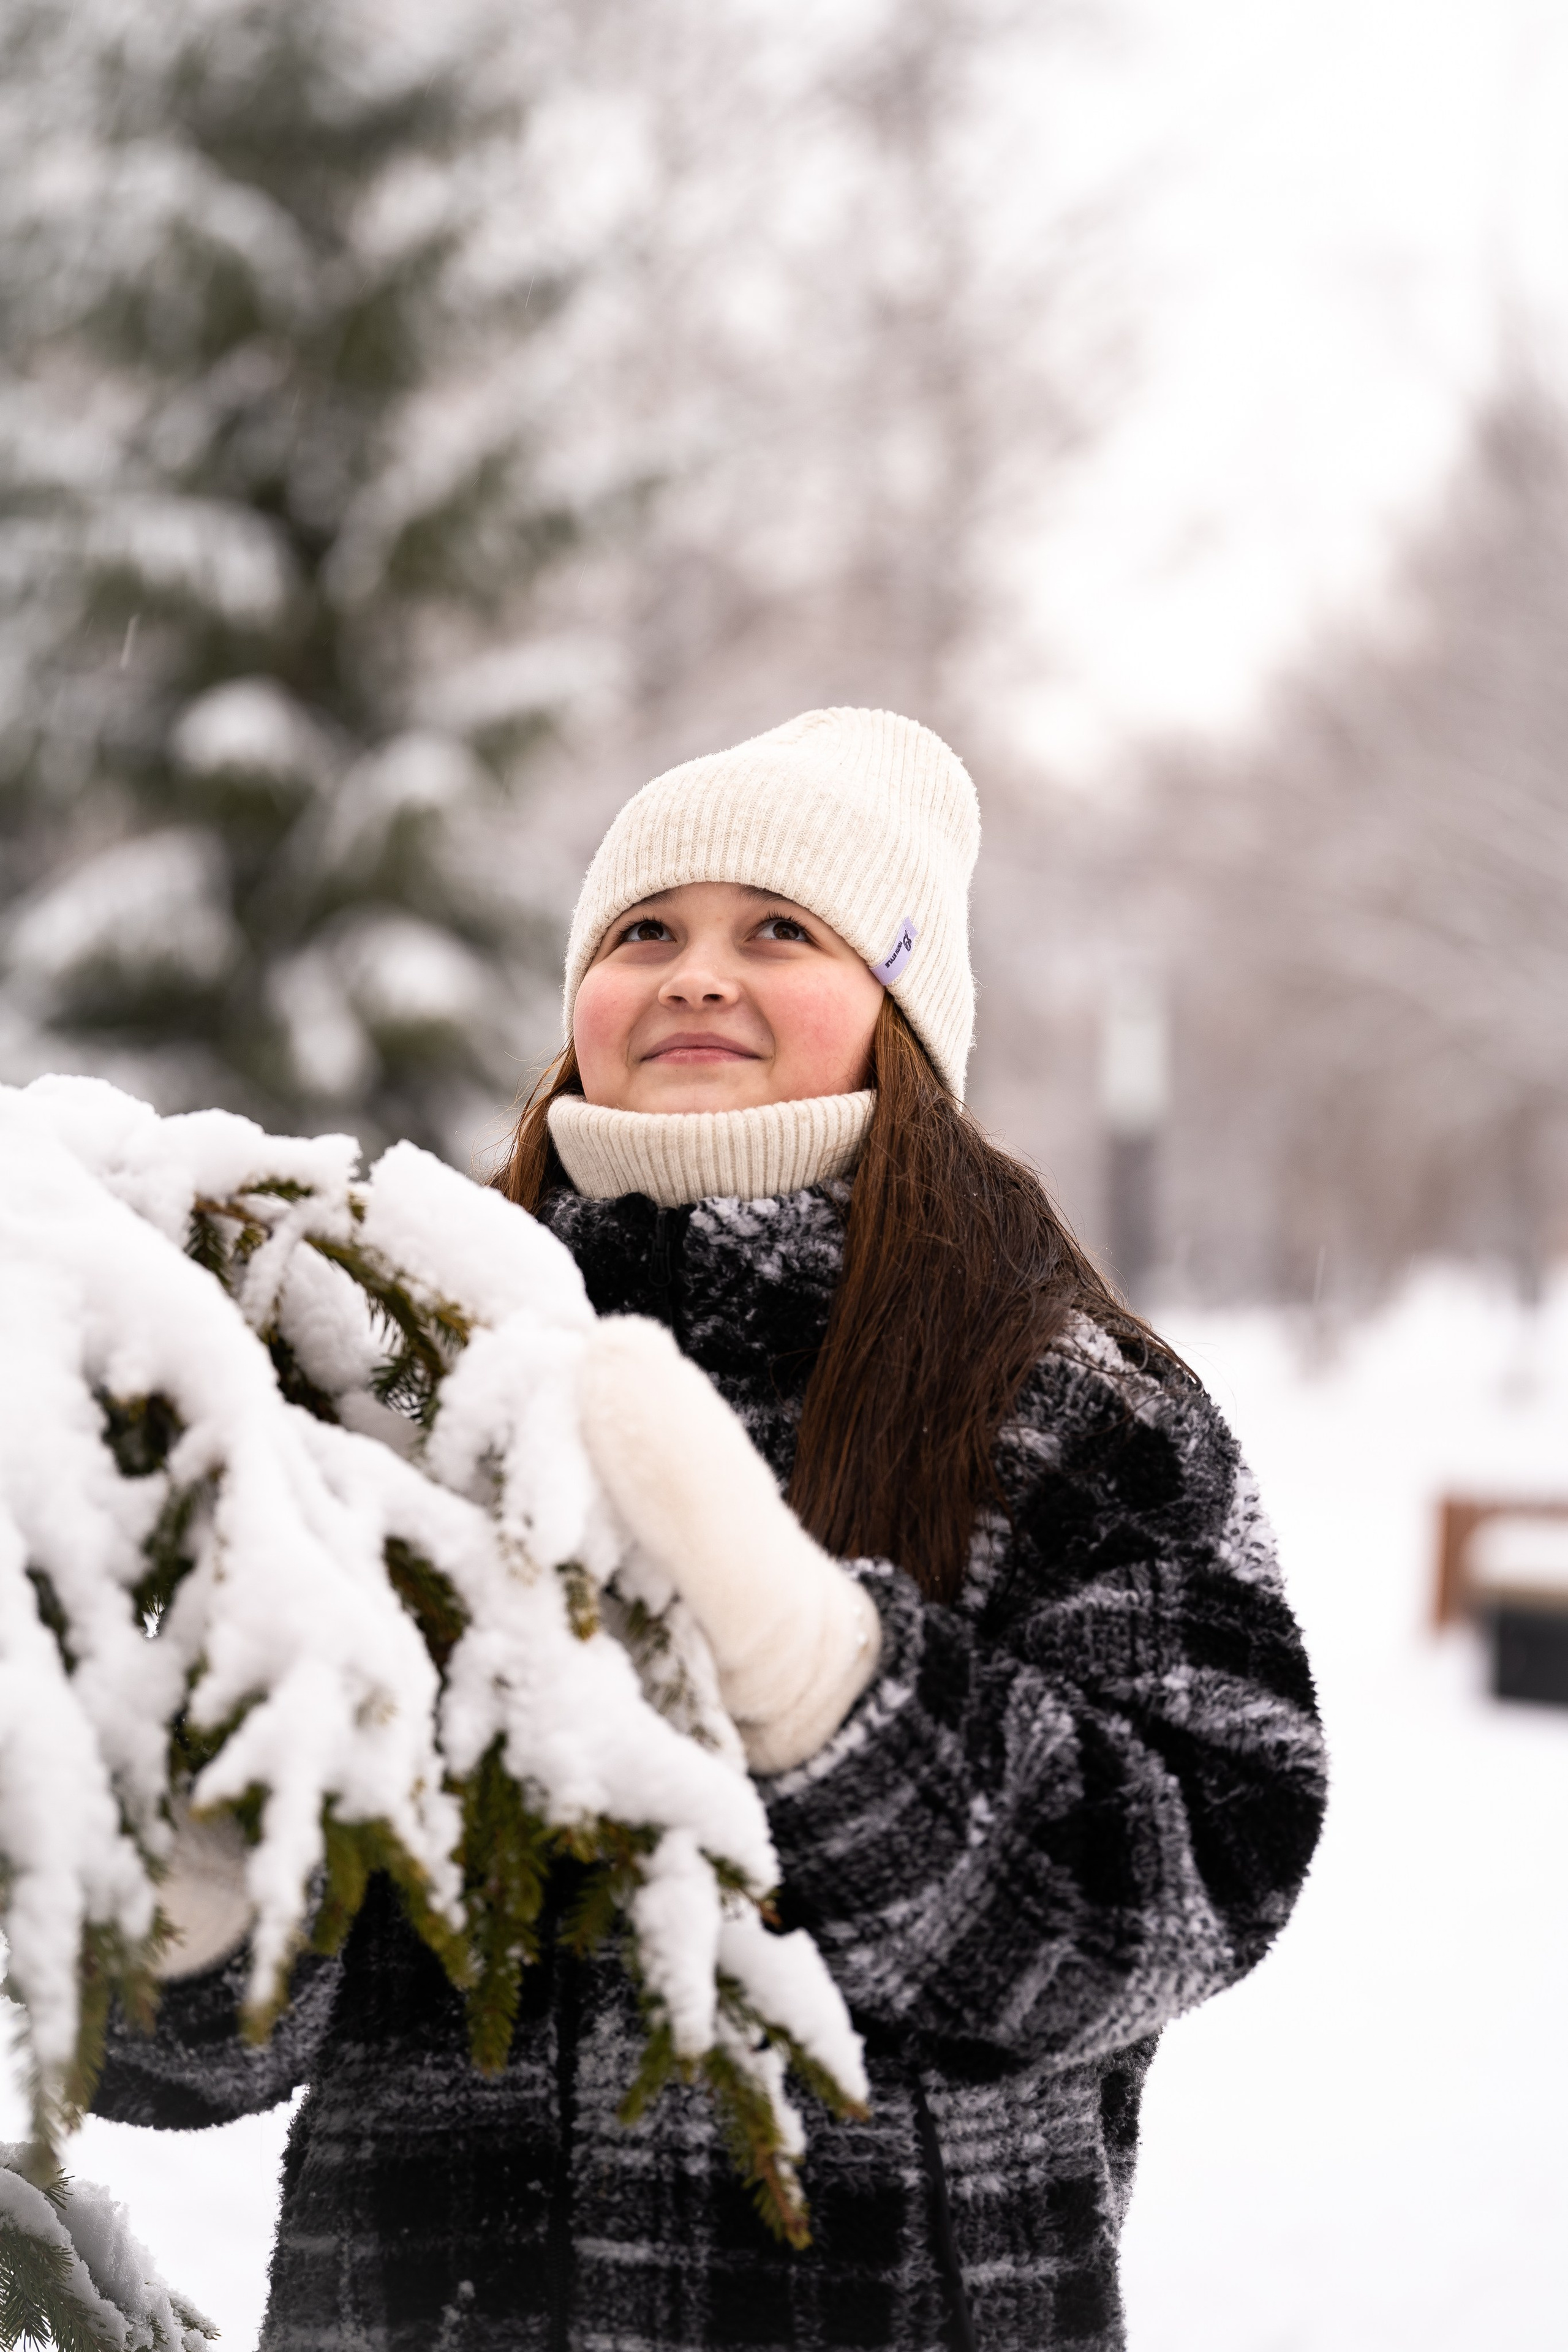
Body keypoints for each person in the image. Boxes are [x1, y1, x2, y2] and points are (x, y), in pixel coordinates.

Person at [97, 707, 1327, 2351]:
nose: (694, 976)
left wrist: (830, 1681)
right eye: (645, 934)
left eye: (779, 933)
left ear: (900, 1010)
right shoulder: (397, 1365)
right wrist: (195, 1911)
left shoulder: (1062, 1401)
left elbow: (1189, 1890)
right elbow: (206, 2055)